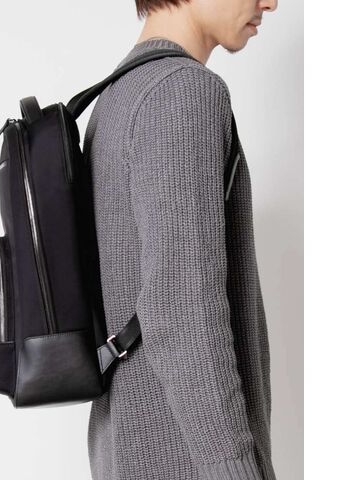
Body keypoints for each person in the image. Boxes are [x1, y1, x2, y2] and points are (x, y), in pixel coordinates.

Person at [82, 0, 279, 479]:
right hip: (185, 461)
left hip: (127, 450)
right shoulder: (182, 91)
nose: (271, 3)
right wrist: (235, 470)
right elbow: (181, 311)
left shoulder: (117, 96)